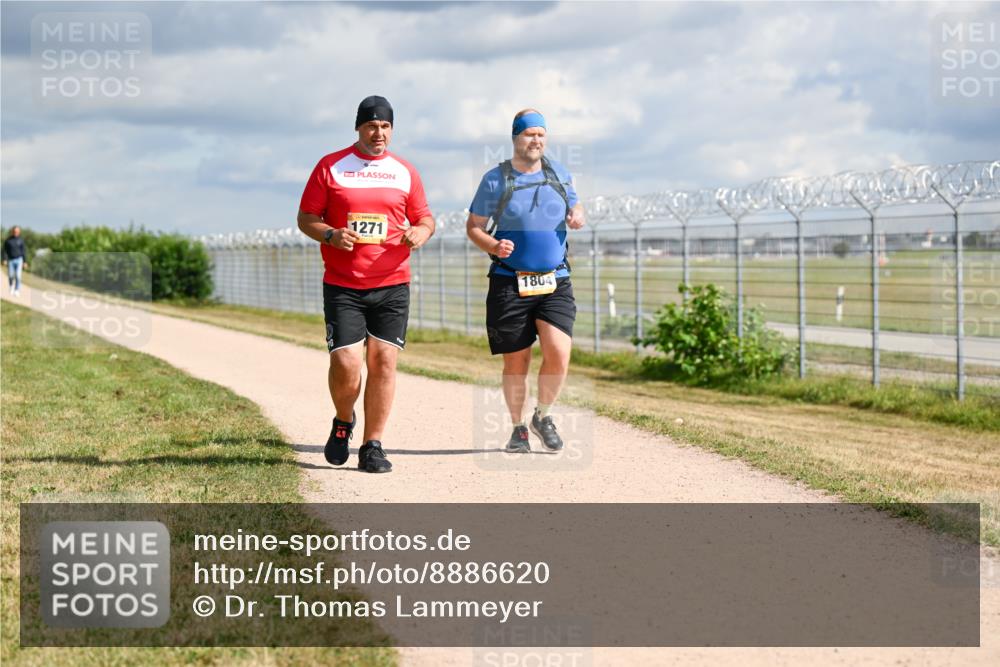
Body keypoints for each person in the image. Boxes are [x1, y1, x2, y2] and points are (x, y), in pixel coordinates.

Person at [297, 95, 435, 473]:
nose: (379, 133)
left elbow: (424, 218)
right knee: (346, 362)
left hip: (392, 282)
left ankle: (372, 445)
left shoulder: (404, 171)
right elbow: (307, 217)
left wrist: (420, 233)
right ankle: (343, 421)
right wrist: (330, 235)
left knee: (384, 361)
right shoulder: (331, 167)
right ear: (358, 127)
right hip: (343, 284)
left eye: (386, 126)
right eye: (372, 126)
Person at [466, 109, 585, 453]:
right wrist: (493, 245)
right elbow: (474, 226)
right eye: (529, 134)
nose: (536, 140)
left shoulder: (559, 174)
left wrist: (577, 215)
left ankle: (543, 415)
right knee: (516, 362)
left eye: (541, 135)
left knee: (559, 353)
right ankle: (518, 428)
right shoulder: (496, 179)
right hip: (509, 281)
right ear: (516, 138)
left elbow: (577, 208)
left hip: (555, 280)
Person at [3, 226, 27, 297]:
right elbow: (4, 251)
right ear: (12, 231)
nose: (16, 232)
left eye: (17, 231)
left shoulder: (21, 240)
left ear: (19, 232)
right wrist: (4, 259)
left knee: (18, 276)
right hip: (11, 260)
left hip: (19, 260)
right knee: (10, 275)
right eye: (15, 231)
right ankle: (11, 287)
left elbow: (23, 251)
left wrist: (25, 262)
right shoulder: (8, 240)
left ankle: (17, 290)